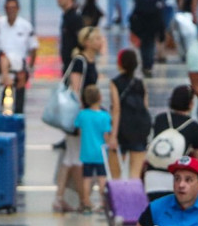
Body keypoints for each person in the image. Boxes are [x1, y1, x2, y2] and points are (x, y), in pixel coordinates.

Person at [53, 26, 103, 214]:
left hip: (82, 115)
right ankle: (83, 199)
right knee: (75, 157)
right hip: (77, 116)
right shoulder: (80, 62)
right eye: (97, 39)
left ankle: (61, 198)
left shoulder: (91, 60)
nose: (100, 42)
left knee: (69, 157)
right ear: (87, 42)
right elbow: (75, 90)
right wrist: (85, 115)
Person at [145, 84, 198, 196]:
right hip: (176, 179)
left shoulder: (160, 119)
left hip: (151, 178)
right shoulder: (194, 126)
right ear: (191, 104)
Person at [109, 48, 150, 180]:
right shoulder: (140, 83)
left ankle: (117, 200)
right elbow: (145, 107)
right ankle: (135, 200)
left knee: (116, 175)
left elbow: (116, 109)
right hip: (140, 128)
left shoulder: (115, 83)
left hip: (123, 128)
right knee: (135, 174)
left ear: (120, 63)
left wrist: (113, 136)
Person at [74, 84, 111, 213]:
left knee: (87, 178)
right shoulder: (105, 116)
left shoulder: (82, 114)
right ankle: (103, 202)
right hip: (100, 153)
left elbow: (79, 131)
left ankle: (86, 202)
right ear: (100, 97)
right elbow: (106, 135)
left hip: (86, 152)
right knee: (102, 178)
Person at [130, 0, 167, 77]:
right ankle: (149, 65)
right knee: (151, 40)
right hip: (154, 14)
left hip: (140, 14)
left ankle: (145, 62)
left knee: (143, 40)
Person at [57, 0, 84, 72]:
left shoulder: (75, 17)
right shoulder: (66, 17)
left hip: (74, 66)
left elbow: (82, 40)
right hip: (67, 65)